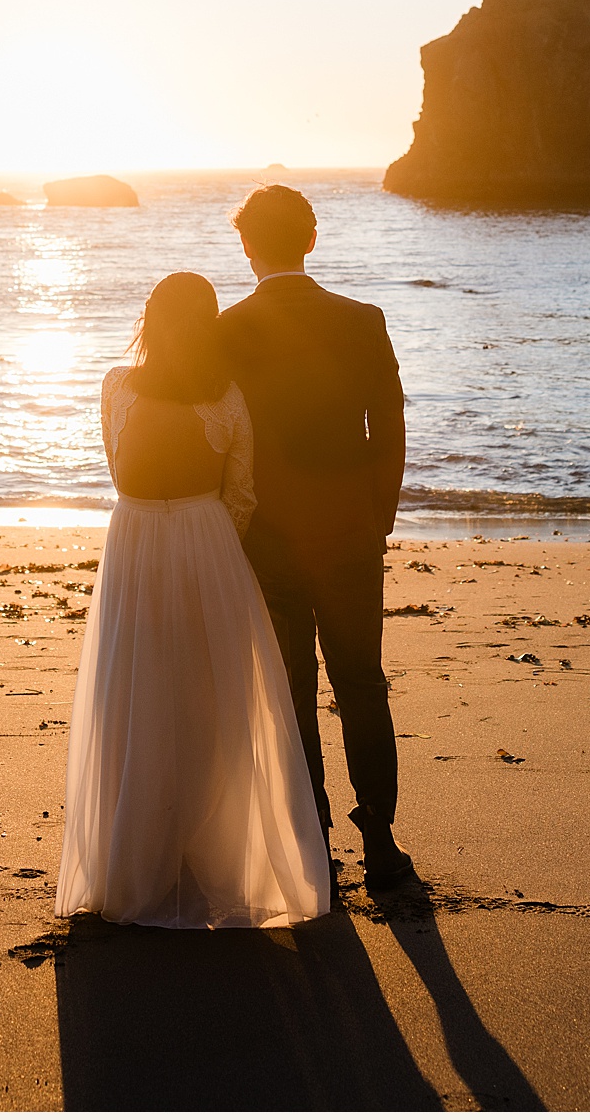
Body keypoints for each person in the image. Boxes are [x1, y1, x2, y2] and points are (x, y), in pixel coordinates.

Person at [54, 271, 333, 929]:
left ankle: (139, 863)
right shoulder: (228, 398)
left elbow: (117, 467)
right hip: (206, 547)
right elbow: (243, 493)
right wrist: (210, 552)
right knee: (209, 708)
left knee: (134, 697)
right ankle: (209, 857)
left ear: (149, 319)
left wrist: (161, 524)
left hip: (135, 540)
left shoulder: (117, 386)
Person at [217, 185, 416, 889]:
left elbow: (225, 442)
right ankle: (383, 842)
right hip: (349, 534)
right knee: (363, 682)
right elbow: (389, 428)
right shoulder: (363, 320)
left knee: (293, 688)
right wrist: (379, 516)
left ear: (247, 246)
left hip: (267, 538)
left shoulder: (227, 328)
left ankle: (314, 842)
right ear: (310, 239)